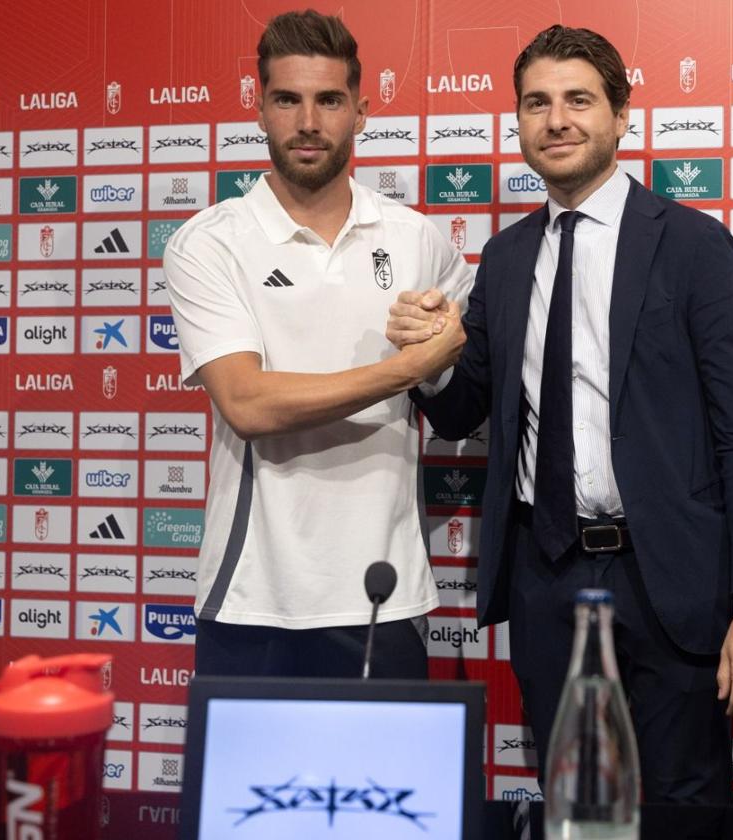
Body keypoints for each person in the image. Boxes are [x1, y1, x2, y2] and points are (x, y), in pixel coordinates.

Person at [387, 25, 733, 803]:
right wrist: (427, 358)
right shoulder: (505, 261)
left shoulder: (693, 247)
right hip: (547, 580)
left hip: (671, 581)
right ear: (517, 122)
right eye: (537, 103)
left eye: (579, 100)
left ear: (620, 117)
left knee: (680, 807)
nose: (557, 120)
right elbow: (460, 408)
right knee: (576, 804)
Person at [164, 10, 471, 679]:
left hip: (381, 597)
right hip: (252, 599)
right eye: (288, 100)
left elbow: (458, 402)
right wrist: (408, 367)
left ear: (361, 113)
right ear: (259, 109)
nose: (308, 122)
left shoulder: (418, 239)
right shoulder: (210, 242)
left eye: (330, 100)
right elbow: (248, 405)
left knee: (386, 787)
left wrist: (438, 358)